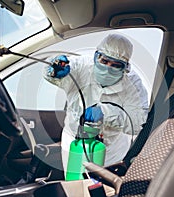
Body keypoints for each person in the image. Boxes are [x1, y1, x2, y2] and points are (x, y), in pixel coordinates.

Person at [43, 33, 149, 175]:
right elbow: (56, 72)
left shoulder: (133, 85)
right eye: (104, 61)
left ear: (125, 68)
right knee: (76, 186)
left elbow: (138, 123)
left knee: (105, 191)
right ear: (96, 57)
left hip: (112, 150)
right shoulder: (81, 66)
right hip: (74, 142)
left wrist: (105, 113)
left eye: (116, 65)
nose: (107, 68)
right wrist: (53, 71)